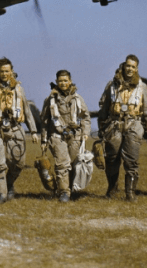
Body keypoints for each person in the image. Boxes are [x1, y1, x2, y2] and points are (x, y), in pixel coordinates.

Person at [0, 57, 39, 203]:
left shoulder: (19, 90)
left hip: (15, 128)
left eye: (7, 71)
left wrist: (33, 131)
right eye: (1, 71)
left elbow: (27, 111)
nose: (4, 74)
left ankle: (9, 183)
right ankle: (2, 194)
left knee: (19, 163)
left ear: (12, 71)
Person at [98, 54, 147, 201]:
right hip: (114, 124)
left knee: (131, 159)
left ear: (136, 69)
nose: (130, 69)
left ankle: (130, 192)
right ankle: (112, 189)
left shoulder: (142, 87)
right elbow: (104, 109)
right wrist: (101, 127)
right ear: (123, 66)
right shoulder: (112, 85)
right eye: (128, 66)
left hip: (134, 124)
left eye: (133, 67)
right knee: (111, 158)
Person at [39, 69, 91, 203]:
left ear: (70, 81)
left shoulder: (78, 99)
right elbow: (44, 121)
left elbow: (85, 117)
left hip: (75, 136)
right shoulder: (50, 100)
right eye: (60, 81)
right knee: (62, 164)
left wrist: (85, 133)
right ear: (56, 82)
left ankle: (72, 189)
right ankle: (64, 193)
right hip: (57, 135)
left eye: (65, 80)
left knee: (74, 164)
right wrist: (44, 139)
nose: (63, 83)